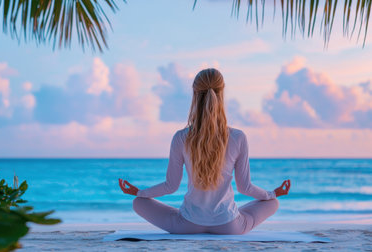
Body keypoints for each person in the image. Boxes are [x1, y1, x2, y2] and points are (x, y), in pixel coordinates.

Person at [118, 68, 291, 235]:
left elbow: (171, 186)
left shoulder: (181, 137)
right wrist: (273, 193)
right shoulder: (238, 137)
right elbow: (244, 187)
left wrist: (140, 193)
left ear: (195, 96)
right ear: (222, 94)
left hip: (187, 225)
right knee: (272, 203)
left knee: (138, 203)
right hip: (230, 227)